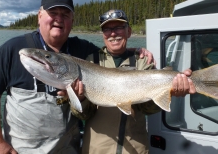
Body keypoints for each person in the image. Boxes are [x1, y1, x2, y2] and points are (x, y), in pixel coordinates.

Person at [0, 0, 155, 154]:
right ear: (39, 16)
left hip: (68, 148)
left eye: (65, 14)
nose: (59, 19)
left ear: (72, 20)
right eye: (53, 13)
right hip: (22, 149)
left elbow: (112, 51)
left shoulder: (83, 50)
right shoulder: (13, 49)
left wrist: (135, 51)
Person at [72, 9, 196, 154]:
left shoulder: (143, 62)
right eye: (107, 29)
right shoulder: (90, 62)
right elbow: (83, 115)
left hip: (136, 149)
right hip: (96, 149)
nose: (113, 33)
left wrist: (170, 91)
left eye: (118, 27)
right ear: (103, 35)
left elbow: (148, 110)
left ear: (129, 32)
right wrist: (80, 98)